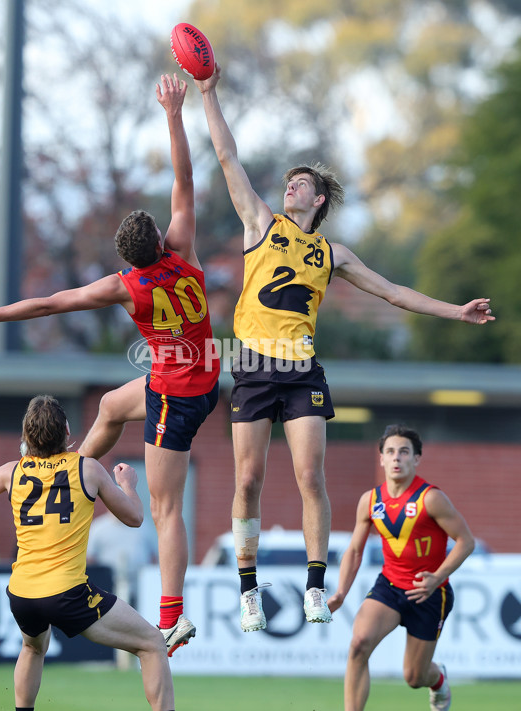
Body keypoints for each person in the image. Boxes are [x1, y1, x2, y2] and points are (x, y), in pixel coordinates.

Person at [193, 64, 494, 633]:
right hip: (254, 366)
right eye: (288, 180)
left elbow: (394, 292)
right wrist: (209, 94)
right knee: (249, 480)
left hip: (302, 369)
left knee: (311, 476)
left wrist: (456, 310)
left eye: (301, 182)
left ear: (320, 197)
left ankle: (314, 585)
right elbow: (228, 157)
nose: (290, 186)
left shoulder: (332, 254)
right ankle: (248, 589)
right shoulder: (260, 222)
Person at [0, 74, 220, 656]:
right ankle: (70, 473)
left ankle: (172, 616)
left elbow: (49, 304)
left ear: (128, 258)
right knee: (113, 407)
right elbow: (185, 180)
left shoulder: (126, 288)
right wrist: (174, 112)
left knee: (165, 509)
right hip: (201, 375)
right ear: (162, 241)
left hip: (175, 395)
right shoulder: (186, 249)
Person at [0, 395, 175, 711]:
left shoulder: (12, 472)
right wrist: (128, 484)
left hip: (23, 594)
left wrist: (9, 472)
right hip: (67, 593)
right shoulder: (88, 469)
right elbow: (135, 518)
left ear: (26, 437)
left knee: (32, 648)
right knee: (152, 643)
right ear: (68, 432)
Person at [326, 424, 475, 711]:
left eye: (404, 452)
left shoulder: (431, 498)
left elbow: (465, 542)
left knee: (414, 676)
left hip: (428, 594)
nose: (396, 458)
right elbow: (355, 550)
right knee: (359, 644)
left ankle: (438, 679)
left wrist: (438, 577)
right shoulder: (370, 500)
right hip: (390, 587)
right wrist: (341, 592)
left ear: (416, 459)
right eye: (390, 452)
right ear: (380, 458)